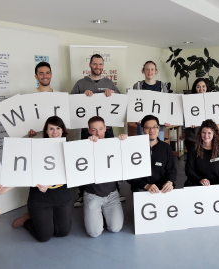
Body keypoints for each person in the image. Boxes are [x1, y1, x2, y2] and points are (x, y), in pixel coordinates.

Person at [0, 116, 72, 242]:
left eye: (58, 128)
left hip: (61, 197)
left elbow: (73, 174)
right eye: (51, 128)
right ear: (46, 131)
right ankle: (26, 221)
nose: (55, 131)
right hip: (40, 198)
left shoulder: (70, 147)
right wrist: (5, 188)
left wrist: (50, 184)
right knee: (44, 236)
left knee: (62, 232)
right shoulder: (36, 147)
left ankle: (41, 218)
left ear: (63, 130)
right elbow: (24, 171)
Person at [71, 54, 125, 206]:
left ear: (103, 66)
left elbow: (121, 100)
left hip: (106, 130)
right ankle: (83, 193)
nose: (98, 67)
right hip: (86, 129)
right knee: (85, 160)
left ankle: (115, 190)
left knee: (109, 159)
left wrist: (113, 94)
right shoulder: (80, 83)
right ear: (90, 65)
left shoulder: (109, 83)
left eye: (100, 64)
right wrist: (82, 96)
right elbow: (71, 102)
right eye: (95, 64)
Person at [83, 116, 125, 237]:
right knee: (94, 233)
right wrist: (88, 145)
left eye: (101, 129)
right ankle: (93, 212)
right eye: (94, 130)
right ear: (89, 131)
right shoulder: (84, 146)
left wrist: (124, 140)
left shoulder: (114, 143)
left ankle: (104, 213)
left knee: (116, 228)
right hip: (92, 195)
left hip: (111, 194)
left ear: (106, 128)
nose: (98, 133)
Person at [128, 115, 176, 193]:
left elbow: (172, 170)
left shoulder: (166, 147)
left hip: (162, 187)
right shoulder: (135, 148)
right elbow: (129, 173)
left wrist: (170, 182)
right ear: (143, 129)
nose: (151, 130)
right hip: (142, 187)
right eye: (147, 128)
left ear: (159, 128)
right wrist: (146, 185)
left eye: (155, 127)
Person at [184, 119, 219, 186]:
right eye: (204, 132)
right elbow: (189, 170)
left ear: (214, 134)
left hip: (216, 182)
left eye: (209, 133)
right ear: (200, 133)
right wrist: (200, 180)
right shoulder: (193, 148)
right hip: (198, 182)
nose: (206, 136)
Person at [132, 61, 170, 141]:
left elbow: (166, 104)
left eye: (152, 69)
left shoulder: (162, 86)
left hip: (159, 125)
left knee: (159, 149)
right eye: (147, 69)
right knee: (143, 149)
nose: (150, 72)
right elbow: (133, 105)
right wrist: (136, 117)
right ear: (143, 71)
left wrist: (167, 119)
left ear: (156, 71)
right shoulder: (137, 86)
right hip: (143, 125)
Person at [27, 62, 58, 138]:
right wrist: (29, 132)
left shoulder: (59, 96)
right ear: (36, 76)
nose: (45, 76)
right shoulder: (29, 97)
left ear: (51, 75)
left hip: (56, 140)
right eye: (41, 73)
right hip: (38, 140)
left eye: (47, 73)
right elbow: (27, 122)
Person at [183, 78, 210, 152]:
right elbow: (184, 117)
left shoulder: (212, 101)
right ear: (195, 88)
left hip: (208, 136)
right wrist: (189, 122)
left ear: (207, 87)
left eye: (203, 86)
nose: (201, 89)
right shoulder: (188, 100)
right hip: (192, 136)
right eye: (198, 87)